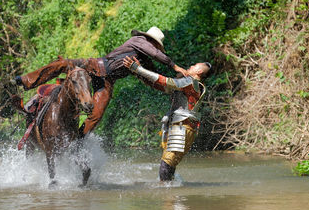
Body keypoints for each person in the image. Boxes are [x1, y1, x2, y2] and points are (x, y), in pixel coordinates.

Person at [14, 27, 187, 136]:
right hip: (94, 66)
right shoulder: (139, 41)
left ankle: (77, 139)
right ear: (151, 42)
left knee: (96, 115)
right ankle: (26, 81)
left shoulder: (144, 61)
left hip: (107, 82)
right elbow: (156, 54)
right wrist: (174, 66)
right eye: (155, 46)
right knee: (62, 64)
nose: (155, 49)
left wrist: (169, 88)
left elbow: (153, 78)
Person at [123, 56, 211, 181]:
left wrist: (138, 69)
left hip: (182, 126)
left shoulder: (191, 82)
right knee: (169, 165)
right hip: (182, 126)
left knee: (166, 165)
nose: (190, 66)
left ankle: (167, 197)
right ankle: (172, 195)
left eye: (194, 65)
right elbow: (161, 85)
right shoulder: (189, 84)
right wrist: (139, 73)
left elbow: (166, 81)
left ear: (199, 72)